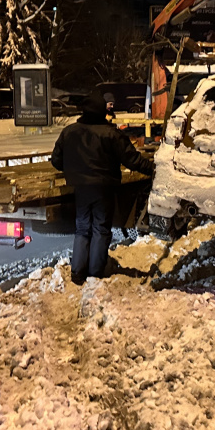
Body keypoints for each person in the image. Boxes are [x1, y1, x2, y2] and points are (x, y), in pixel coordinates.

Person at [51, 90, 155, 284]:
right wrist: (153, 169)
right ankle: (95, 273)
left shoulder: (69, 132)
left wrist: (74, 169)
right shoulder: (112, 134)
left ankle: (77, 273)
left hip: (80, 188)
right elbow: (132, 159)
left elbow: (56, 160)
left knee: (82, 228)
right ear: (102, 111)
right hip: (104, 188)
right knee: (100, 228)